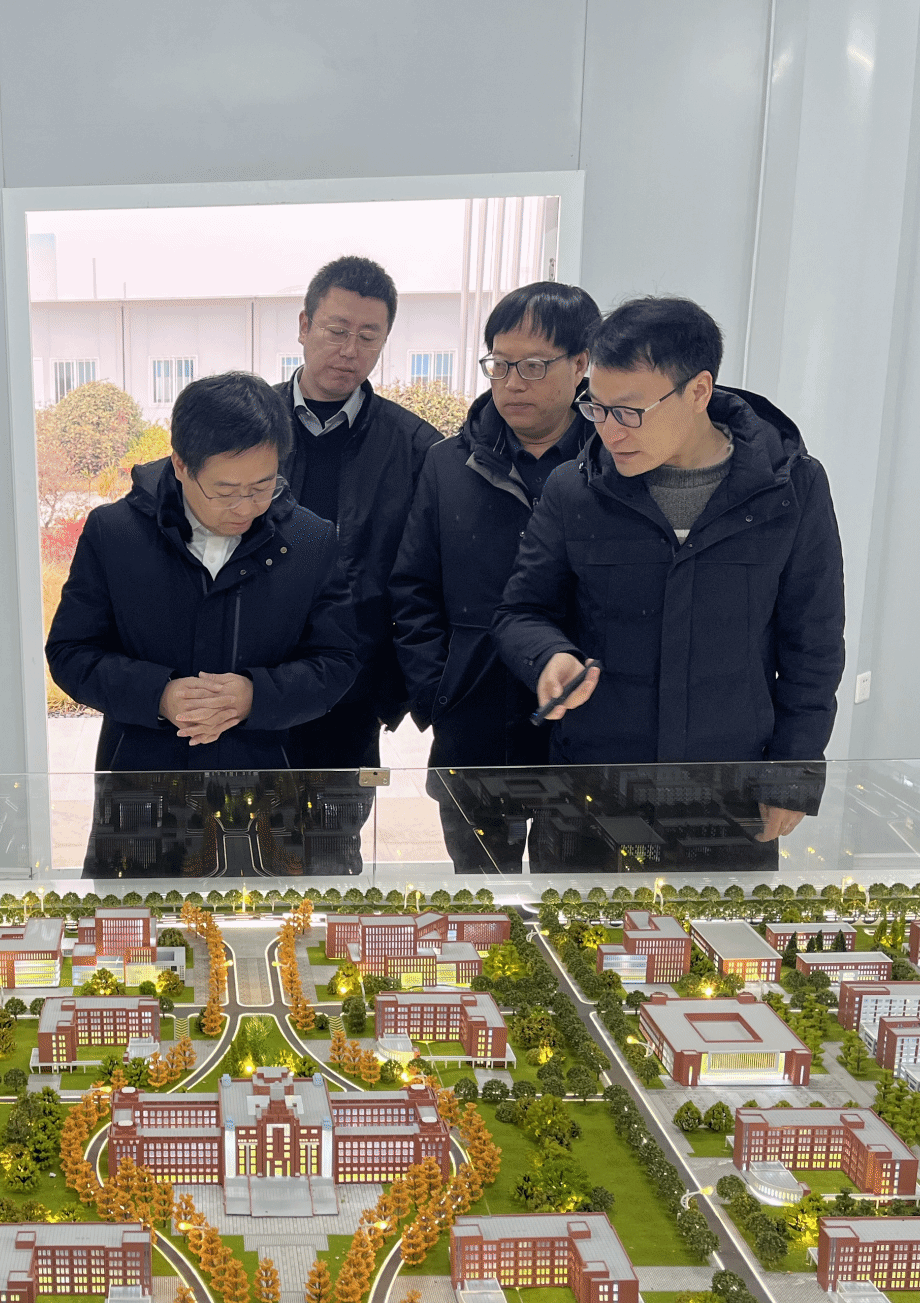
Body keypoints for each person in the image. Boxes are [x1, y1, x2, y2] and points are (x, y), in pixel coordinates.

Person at [492, 296, 844, 868]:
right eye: (597, 407)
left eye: (629, 412)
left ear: (698, 391)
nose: (609, 431)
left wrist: (793, 771)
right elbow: (521, 612)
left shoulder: (789, 489)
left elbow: (815, 641)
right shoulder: (575, 489)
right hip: (592, 791)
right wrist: (548, 656)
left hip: (728, 792)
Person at [45, 370, 356, 772]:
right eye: (224, 491)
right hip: (141, 777)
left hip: (265, 777)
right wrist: (158, 695)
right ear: (180, 464)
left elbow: (338, 660)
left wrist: (256, 695)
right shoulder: (115, 533)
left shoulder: (309, 540)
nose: (245, 507)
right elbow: (71, 653)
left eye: (262, 487)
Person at [390, 281, 600, 872]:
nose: (512, 383)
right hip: (474, 723)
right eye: (500, 365)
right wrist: (438, 692)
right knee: (481, 903)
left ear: (580, 364)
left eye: (533, 366)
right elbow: (412, 589)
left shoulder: (612, 464)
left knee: (572, 900)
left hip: (583, 728)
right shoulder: (448, 463)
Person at [274, 256, 441, 769]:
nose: (350, 351)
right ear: (304, 326)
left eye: (369, 337)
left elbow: (423, 578)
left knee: (338, 819)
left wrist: (394, 691)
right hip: (253, 680)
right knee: (245, 816)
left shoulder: (415, 447)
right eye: (336, 330)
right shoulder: (249, 424)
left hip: (353, 689)